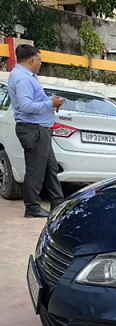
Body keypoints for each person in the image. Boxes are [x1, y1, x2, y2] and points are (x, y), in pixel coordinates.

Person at [7, 44, 66, 218]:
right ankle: (32, 207)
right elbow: (25, 106)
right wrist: (50, 104)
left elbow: (33, 101)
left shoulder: (27, 77)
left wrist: (50, 101)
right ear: (32, 59)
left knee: (50, 168)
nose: (41, 62)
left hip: (40, 128)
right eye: (40, 59)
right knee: (36, 170)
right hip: (33, 129)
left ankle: (58, 202)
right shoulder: (22, 78)